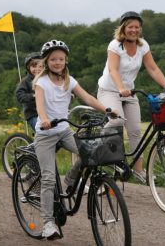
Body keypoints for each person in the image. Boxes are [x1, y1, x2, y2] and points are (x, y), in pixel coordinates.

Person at [33, 39, 117, 239]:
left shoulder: (70, 81)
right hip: (45, 134)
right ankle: (48, 223)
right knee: (47, 178)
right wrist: (44, 119)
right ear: (46, 61)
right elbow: (39, 105)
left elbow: (87, 98)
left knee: (91, 153)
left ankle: (70, 179)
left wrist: (107, 109)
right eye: (53, 59)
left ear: (66, 61)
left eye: (61, 59)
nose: (57, 62)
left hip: (63, 131)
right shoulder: (41, 82)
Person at [97, 11, 165, 182]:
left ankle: (138, 171)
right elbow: (113, 70)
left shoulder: (142, 46)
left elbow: (152, 68)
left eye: (137, 27)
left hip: (129, 92)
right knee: (117, 120)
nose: (134, 30)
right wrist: (120, 88)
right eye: (130, 26)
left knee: (135, 130)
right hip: (110, 90)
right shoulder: (115, 46)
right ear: (123, 28)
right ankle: (98, 147)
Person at [15, 52, 43, 131]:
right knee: (42, 131)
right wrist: (33, 96)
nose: (37, 69)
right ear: (28, 68)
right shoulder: (26, 81)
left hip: (48, 113)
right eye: (34, 66)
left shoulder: (46, 79)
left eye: (40, 66)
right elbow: (19, 95)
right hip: (33, 114)